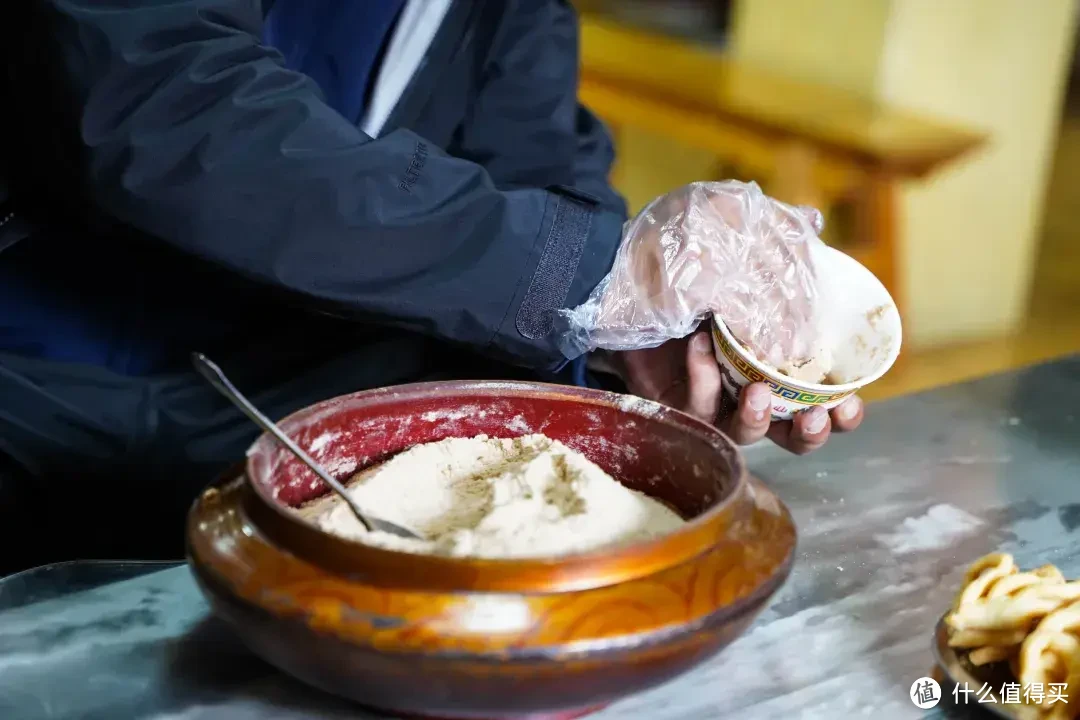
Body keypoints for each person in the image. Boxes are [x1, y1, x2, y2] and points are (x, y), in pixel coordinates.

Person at [0, 0, 863, 574]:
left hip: (296, 429)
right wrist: (591, 271)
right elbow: (156, 96)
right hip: (43, 391)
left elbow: (538, 169)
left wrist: (628, 340)